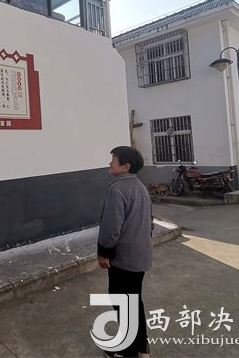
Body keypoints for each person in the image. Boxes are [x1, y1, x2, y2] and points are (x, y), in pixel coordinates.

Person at [97, 146, 153, 358]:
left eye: (114, 159)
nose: (110, 162)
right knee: (134, 301)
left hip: (124, 260)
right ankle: (142, 347)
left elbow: (111, 228)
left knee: (123, 303)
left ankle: (127, 351)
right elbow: (150, 222)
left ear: (125, 166)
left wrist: (104, 253)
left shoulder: (116, 189)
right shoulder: (140, 187)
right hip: (140, 257)